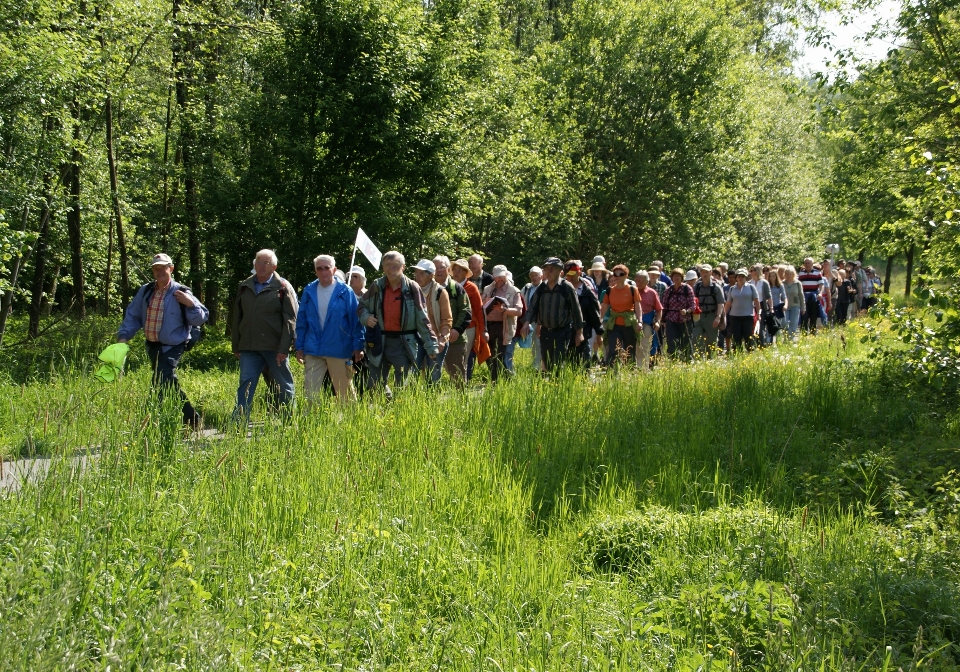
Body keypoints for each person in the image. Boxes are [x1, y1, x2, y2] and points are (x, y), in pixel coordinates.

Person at [117, 253, 209, 427]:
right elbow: (133, 315)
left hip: (173, 345)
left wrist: (190, 304)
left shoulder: (181, 291)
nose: (159, 271)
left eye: (162, 267)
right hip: (152, 346)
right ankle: (193, 419)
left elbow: (201, 318)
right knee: (167, 381)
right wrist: (123, 337)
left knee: (160, 379)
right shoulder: (146, 291)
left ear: (171, 268)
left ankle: (150, 422)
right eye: (155, 268)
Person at [231, 249, 298, 420]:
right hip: (249, 347)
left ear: (274, 266)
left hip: (275, 348)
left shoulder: (282, 287)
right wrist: (236, 345)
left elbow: (290, 319)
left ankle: (289, 421)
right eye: (258, 262)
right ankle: (239, 422)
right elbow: (237, 317)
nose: (261, 266)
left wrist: (284, 348)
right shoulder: (245, 286)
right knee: (245, 384)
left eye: (265, 263)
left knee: (283, 384)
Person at [359, 251, 438, 391]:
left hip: (403, 342)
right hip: (379, 341)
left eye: (395, 265)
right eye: (387, 265)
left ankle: (397, 410)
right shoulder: (377, 286)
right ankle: (381, 410)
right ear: (383, 267)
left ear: (403, 267)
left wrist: (431, 344)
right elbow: (361, 307)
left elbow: (422, 318)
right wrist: (366, 318)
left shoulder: (412, 287)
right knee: (374, 385)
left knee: (402, 385)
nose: (391, 269)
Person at [295, 255, 364, 401]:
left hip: (338, 347)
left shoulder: (345, 291)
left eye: (326, 268)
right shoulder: (309, 291)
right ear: (315, 271)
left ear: (334, 269)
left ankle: (349, 422)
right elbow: (302, 321)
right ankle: (310, 422)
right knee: (310, 393)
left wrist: (358, 345)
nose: (323, 271)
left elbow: (355, 321)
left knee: (345, 393)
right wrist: (299, 345)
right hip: (313, 347)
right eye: (319, 268)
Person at [528, 257, 584, 373]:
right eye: (546, 269)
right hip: (545, 331)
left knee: (558, 362)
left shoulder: (566, 287)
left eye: (552, 269)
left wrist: (579, 333)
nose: (548, 272)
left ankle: (558, 386)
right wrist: (526, 324)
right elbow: (533, 307)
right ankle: (549, 386)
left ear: (560, 271)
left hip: (562, 331)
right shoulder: (542, 288)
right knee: (547, 362)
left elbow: (576, 310)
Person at [433, 255, 472, 386]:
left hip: (455, 339)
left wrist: (456, 330)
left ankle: (462, 403)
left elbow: (466, 311)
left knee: (457, 374)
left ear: (448, 269)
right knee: (431, 373)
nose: (438, 271)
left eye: (441, 267)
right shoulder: (426, 288)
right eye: (435, 268)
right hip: (432, 339)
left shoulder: (456, 289)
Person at [481, 265, 523, 383]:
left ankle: (497, 381)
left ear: (506, 275)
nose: (499, 279)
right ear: (493, 277)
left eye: (502, 277)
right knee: (488, 355)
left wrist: (504, 309)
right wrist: (485, 302)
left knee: (499, 355)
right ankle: (501, 377)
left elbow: (519, 312)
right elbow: (480, 306)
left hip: (504, 326)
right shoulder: (487, 289)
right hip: (488, 325)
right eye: (497, 277)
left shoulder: (514, 291)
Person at [413, 259, 452, 384]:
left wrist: (442, 339)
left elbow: (447, 320)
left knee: (433, 376)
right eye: (416, 273)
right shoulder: (411, 291)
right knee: (411, 374)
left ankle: (432, 401)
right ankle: (410, 401)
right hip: (415, 339)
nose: (417, 276)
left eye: (421, 274)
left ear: (431, 275)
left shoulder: (440, 292)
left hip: (435, 339)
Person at [599, 264, 639, 366]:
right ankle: (611, 373)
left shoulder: (632, 290)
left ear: (626, 275)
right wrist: (599, 320)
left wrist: (640, 321)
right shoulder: (609, 290)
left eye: (621, 274)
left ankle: (629, 372)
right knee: (613, 349)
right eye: (615, 274)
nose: (617, 277)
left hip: (628, 323)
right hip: (614, 324)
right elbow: (604, 307)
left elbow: (638, 307)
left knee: (630, 349)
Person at [566, 260, 603, 367]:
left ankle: (584, 380)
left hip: (584, 331)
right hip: (565, 331)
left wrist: (599, 333)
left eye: (572, 275)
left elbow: (594, 313)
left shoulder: (587, 290)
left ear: (579, 273)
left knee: (584, 360)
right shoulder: (562, 289)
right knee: (569, 362)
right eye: (568, 275)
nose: (570, 278)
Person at [691, 264, 725, 357]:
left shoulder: (716, 287)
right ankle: (698, 361)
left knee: (711, 341)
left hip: (711, 316)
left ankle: (711, 361)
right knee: (696, 339)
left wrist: (718, 317)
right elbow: (692, 300)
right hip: (698, 316)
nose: (704, 274)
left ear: (711, 273)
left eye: (706, 272)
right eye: (702, 272)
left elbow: (721, 303)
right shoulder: (696, 286)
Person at [661, 267, 695, 358]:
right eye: (674, 276)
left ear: (682, 277)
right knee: (672, 342)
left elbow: (693, 306)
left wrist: (687, 311)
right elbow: (664, 306)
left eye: (678, 276)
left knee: (686, 342)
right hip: (671, 320)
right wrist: (662, 319)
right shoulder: (668, 290)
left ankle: (688, 360)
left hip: (685, 319)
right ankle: (673, 360)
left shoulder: (687, 289)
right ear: (672, 278)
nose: (676, 278)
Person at [724, 268, 761, 351]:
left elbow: (756, 301)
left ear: (746, 278)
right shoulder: (732, 289)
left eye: (743, 276)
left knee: (748, 336)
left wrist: (759, 313)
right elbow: (728, 303)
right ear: (736, 277)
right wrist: (723, 315)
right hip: (735, 316)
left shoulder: (751, 287)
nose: (740, 278)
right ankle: (738, 354)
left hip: (748, 316)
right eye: (739, 276)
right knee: (736, 337)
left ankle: (750, 353)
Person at [633, 270, 663, 370]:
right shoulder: (631, 291)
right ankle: (632, 367)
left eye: (641, 281)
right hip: (631, 322)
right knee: (632, 346)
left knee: (644, 346)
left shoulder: (652, 293)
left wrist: (658, 322)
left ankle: (643, 369)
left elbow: (659, 310)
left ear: (647, 281)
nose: (638, 283)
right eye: (637, 281)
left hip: (647, 323)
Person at [518, 266, 544, 370]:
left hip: (540, 320)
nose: (534, 278)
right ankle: (537, 364)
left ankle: (538, 366)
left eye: (536, 275)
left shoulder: (545, 287)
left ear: (541, 276)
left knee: (539, 343)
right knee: (533, 343)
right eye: (532, 275)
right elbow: (521, 300)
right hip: (528, 320)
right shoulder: (527, 288)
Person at [797, 257, 823, 334]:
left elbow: (821, 284)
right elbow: (798, 285)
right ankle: (804, 334)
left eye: (809, 263)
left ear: (812, 264)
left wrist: (820, 293)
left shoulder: (817, 273)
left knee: (813, 316)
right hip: (804, 296)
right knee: (804, 315)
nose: (807, 265)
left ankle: (813, 333)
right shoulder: (801, 273)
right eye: (806, 263)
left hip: (813, 296)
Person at [749, 264, 772, 344]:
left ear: (757, 271)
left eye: (752, 270)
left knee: (760, 326)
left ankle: (762, 345)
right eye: (750, 271)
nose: (750, 272)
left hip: (761, 306)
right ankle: (753, 344)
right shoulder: (749, 283)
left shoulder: (764, 283)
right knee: (752, 327)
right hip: (751, 306)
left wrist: (771, 308)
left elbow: (768, 296)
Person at [782, 265, 804, 339]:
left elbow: (801, 295)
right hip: (785, 306)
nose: (789, 275)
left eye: (790, 274)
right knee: (784, 322)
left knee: (794, 323)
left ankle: (790, 339)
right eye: (787, 274)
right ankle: (785, 337)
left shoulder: (798, 283)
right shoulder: (782, 283)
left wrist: (803, 307)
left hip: (795, 305)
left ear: (793, 274)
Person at [767, 268, 787, 343]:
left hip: (778, 307)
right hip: (769, 308)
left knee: (779, 326)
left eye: (773, 276)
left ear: (776, 277)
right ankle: (770, 342)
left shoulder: (780, 285)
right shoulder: (767, 285)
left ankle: (779, 343)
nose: (772, 278)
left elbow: (784, 296)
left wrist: (785, 305)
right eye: (770, 276)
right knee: (770, 326)